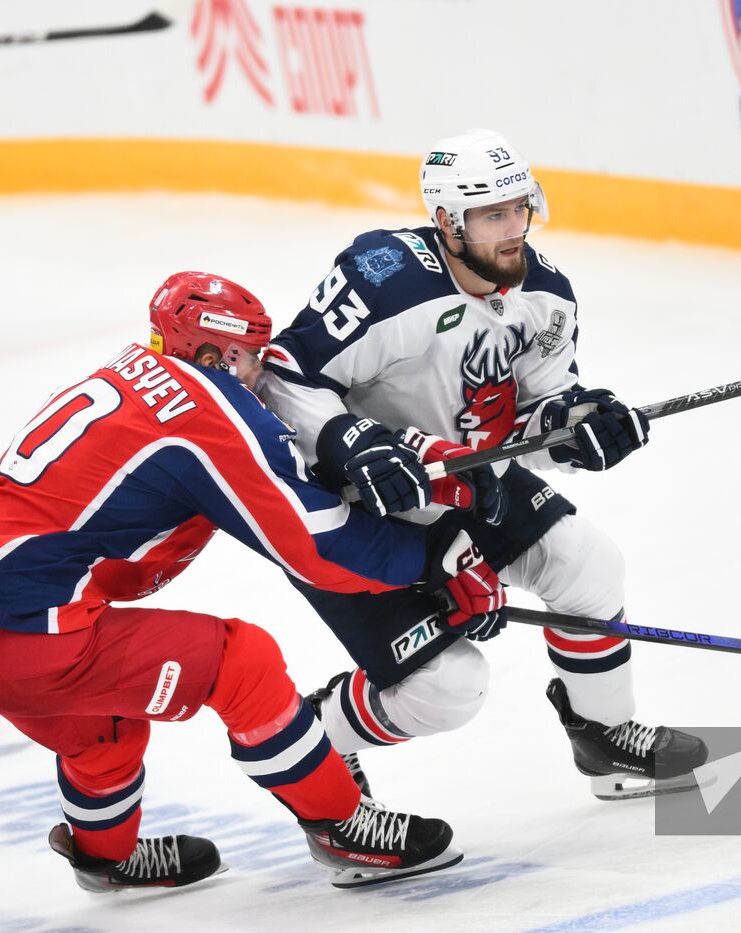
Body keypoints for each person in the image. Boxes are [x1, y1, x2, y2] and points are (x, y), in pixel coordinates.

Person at [0, 272, 506, 891]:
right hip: (32, 637)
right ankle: (344, 827)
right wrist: (434, 558)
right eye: (250, 355)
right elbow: (316, 544)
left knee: (103, 728)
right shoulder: (204, 411)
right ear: (214, 352)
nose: (260, 374)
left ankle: (104, 856)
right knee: (240, 661)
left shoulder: (131, 375)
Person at [260, 129, 708, 800]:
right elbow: (283, 379)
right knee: (448, 687)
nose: (512, 230)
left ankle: (605, 738)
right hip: (356, 511)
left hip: (465, 485)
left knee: (587, 565)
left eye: (519, 209)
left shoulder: (547, 295)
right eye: (492, 215)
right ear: (446, 221)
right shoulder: (383, 281)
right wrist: (351, 440)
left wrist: (580, 427)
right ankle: (311, 738)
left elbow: (535, 414)